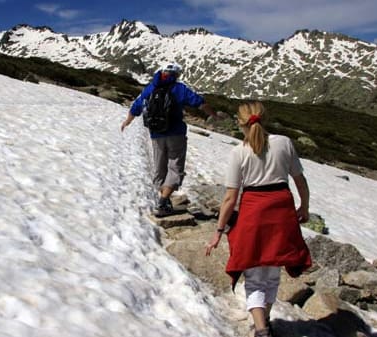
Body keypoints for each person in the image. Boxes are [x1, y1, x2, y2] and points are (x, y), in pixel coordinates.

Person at [205, 101, 312, 337]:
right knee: (273, 270)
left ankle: (261, 328)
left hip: (253, 214)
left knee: (254, 273)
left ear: (240, 123)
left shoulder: (238, 152)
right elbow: (300, 182)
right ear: (265, 119)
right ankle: (266, 320)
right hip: (281, 212)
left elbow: (230, 198)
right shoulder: (284, 143)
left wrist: (218, 231)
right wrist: (304, 207)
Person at [121, 62, 218, 216]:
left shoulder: (151, 87)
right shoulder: (179, 89)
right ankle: (163, 201)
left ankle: (163, 199)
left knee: (160, 166)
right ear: (176, 75)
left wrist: (128, 121)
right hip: (176, 134)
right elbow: (199, 102)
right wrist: (213, 115)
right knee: (175, 167)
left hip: (156, 134)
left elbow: (136, 106)